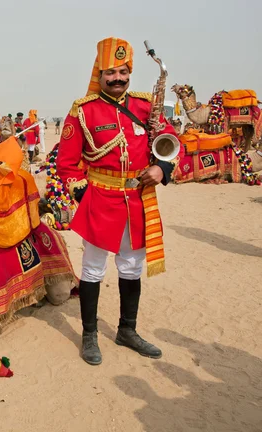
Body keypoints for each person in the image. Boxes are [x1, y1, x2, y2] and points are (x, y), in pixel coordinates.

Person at [55, 37, 182, 366]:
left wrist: (162, 167)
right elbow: (67, 164)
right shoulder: (83, 111)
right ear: (100, 73)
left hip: (138, 199)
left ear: (130, 73)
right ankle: (89, 335)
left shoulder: (144, 106)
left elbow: (171, 142)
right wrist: (86, 198)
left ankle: (127, 330)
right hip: (100, 199)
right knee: (94, 270)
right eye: (110, 72)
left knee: (131, 267)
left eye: (123, 72)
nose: (118, 78)